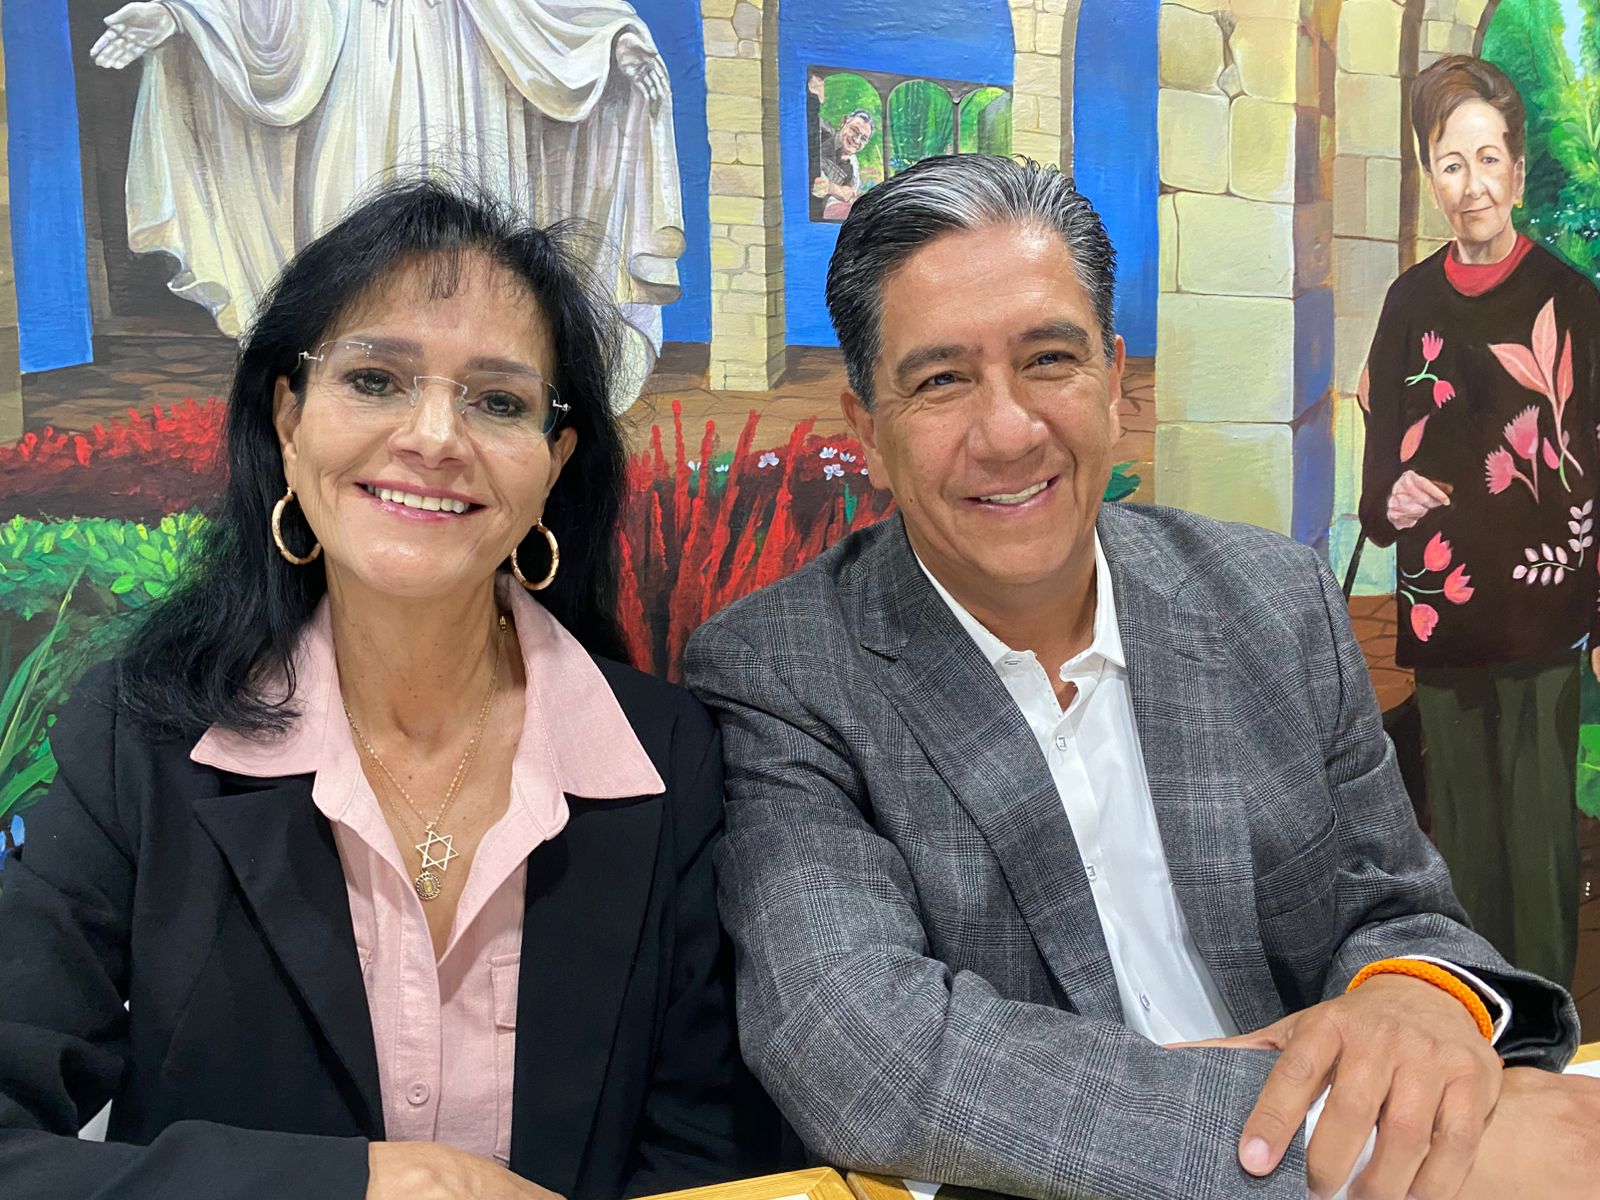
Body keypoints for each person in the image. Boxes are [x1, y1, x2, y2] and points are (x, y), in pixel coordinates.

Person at [684, 153, 1598, 1200]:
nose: (1009, 430)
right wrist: (1345, 1153)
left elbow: (1396, 910)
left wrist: (1413, 1000)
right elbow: (865, 1048)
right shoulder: (785, 670)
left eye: (1049, 360)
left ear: (1114, 380)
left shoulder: (1272, 599)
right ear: (869, 433)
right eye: (940, 381)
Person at [0, 182, 777, 1199]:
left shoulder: (666, 757)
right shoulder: (140, 738)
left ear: (553, 464)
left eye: (499, 401)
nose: (435, 437)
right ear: (288, 420)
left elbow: (706, 1158)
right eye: (374, 379)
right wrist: (362, 1188)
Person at [90, 0, 684, 402]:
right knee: (352, 258)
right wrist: (182, 14)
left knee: (478, 248)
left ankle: (480, 394)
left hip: (470, 80)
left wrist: (616, 37)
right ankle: (356, 392)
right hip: (355, 87)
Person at [1358, 54, 1599, 991]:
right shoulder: (1409, 302)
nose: (1473, 186)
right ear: (1430, 175)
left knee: (1539, 846)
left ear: (1519, 172)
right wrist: (1391, 500)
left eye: (1489, 159)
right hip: (1443, 612)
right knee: (1460, 848)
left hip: (1545, 614)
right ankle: (1484, 1018)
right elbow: (1380, 478)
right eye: (1451, 164)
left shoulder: (1573, 303)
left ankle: (1548, 1028)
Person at [808, 75, 875, 221]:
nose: (856, 140)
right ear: (844, 121)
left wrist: (830, 188)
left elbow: (849, 193)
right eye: (854, 130)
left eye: (863, 139)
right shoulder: (821, 131)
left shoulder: (852, 164)